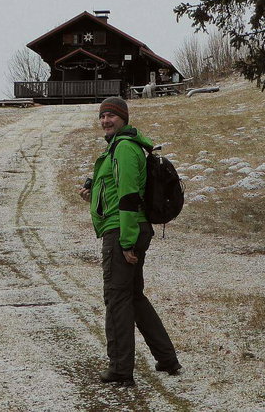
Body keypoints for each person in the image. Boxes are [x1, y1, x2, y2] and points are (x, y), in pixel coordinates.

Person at [78, 96, 180, 387]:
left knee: (117, 298)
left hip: (122, 230)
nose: (105, 121)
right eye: (102, 116)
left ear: (124, 118)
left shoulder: (123, 148)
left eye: (111, 116)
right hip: (132, 228)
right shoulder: (123, 147)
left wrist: (126, 241)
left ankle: (121, 369)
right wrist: (91, 186)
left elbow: (128, 196)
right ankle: (167, 358)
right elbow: (113, 182)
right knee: (133, 296)